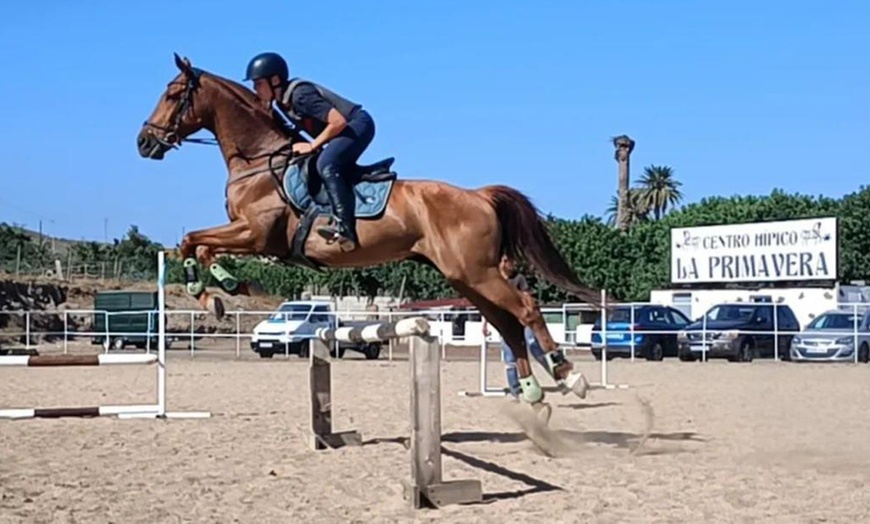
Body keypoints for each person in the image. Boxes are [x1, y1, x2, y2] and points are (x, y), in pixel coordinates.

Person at [244, 51, 375, 251]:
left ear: (275, 80)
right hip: (343, 129)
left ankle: (346, 228)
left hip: (357, 125)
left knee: (326, 164)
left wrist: (313, 146)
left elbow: (338, 121)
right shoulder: (281, 102)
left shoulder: (299, 95)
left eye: (258, 83)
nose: (255, 89)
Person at [481, 256, 548, 400]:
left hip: (523, 320)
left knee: (532, 344)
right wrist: (486, 323)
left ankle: (551, 370)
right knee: (510, 358)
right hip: (506, 323)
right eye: (506, 261)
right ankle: (515, 391)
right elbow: (490, 304)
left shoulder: (519, 279)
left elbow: (527, 296)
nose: (510, 264)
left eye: (510, 261)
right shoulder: (496, 281)